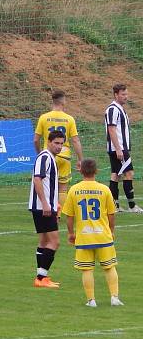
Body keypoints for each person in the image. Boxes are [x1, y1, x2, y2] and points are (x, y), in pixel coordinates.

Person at [61, 158, 123, 307]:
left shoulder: (74, 190)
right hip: (103, 235)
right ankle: (114, 297)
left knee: (87, 269)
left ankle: (91, 300)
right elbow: (111, 214)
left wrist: (71, 233)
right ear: (96, 171)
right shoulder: (104, 189)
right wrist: (111, 230)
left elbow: (69, 216)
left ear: (81, 171)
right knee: (109, 267)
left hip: (84, 237)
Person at [34, 90, 83, 209]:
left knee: (48, 185)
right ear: (63, 101)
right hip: (64, 154)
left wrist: (40, 153)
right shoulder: (69, 119)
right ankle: (59, 214)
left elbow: (36, 139)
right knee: (63, 188)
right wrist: (80, 159)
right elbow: (75, 140)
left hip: (49, 156)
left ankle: (47, 207)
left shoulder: (44, 117)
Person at [29, 129, 65, 289]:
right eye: (56, 143)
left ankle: (42, 277)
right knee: (55, 242)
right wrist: (45, 203)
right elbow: (38, 179)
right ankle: (40, 278)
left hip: (45, 206)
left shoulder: (49, 158)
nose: (59, 146)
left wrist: (54, 203)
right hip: (43, 207)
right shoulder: (44, 157)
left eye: (61, 144)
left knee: (44, 241)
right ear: (49, 142)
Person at [105, 83, 142, 213]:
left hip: (120, 148)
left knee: (116, 175)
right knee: (129, 173)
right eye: (123, 94)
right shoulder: (113, 109)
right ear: (116, 95)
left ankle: (114, 206)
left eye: (127, 94)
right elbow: (111, 129)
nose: (126, 97)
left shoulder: (119, 108)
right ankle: (132, 206)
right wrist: (119, 149)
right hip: (118, 148)